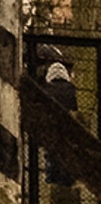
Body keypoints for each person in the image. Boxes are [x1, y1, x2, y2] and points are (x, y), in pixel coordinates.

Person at [44, 62, 80, 204]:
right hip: (68, 131)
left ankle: (52, 179)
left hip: (52, 130)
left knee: (51, 156)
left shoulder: (47, 89)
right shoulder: (71, 89)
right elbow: (74, 110)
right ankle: (67, 182)